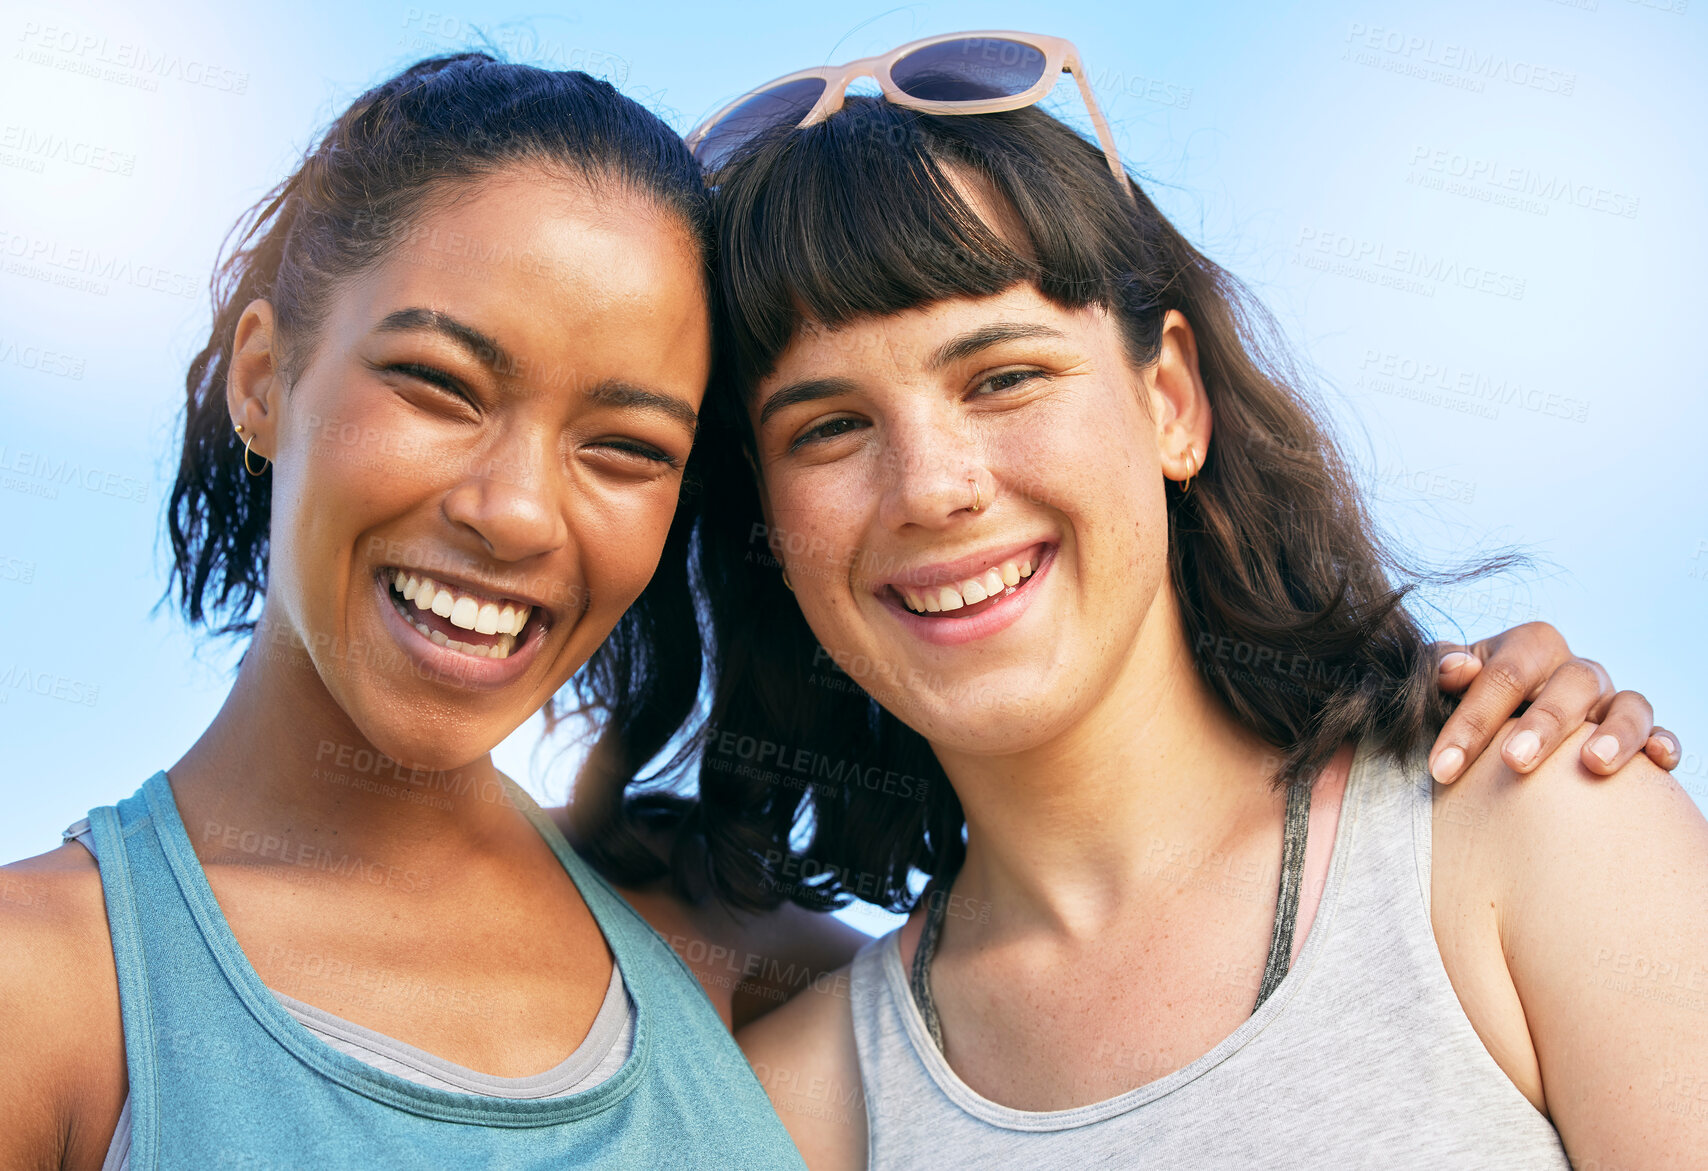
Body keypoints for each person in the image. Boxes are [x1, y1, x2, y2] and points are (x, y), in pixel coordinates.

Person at [668, 32, 1708, 1168]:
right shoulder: (801, 1114)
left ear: (1170, 400)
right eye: (828, 427)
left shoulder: (1537, 832)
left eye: (1003, 376)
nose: (930, 488)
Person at [0, 54, 813, 1170]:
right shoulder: (42, 990)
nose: (518, 513)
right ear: (263, 381)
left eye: (625, 449)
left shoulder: (737, 962)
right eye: (439, 385)